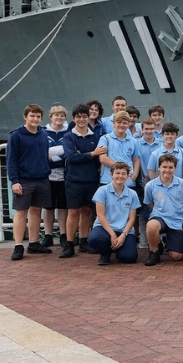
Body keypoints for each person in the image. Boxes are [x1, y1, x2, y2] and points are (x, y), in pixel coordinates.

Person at [7, 104, 52, 261]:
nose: (35, 119)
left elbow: (44, 154)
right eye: (32, 116)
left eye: (38, 116)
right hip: (24, 179)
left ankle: (33, 243)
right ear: (25, 117)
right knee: (21, 211)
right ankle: (18, 245)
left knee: (36, 210)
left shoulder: (43, 134)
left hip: (42, 178)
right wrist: (14, 181)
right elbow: (11, 160)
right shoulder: (16, 136)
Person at [61, 104, 107, 258]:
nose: (81, 119)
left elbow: (97, 158)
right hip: (74, 179)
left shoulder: (95, 137)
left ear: (88, 118)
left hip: (91, 178)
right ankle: (69, 243)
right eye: (78, 116)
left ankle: (84, 241)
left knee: (87, 210)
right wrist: (92, 153)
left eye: (84, 116)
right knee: (73, 211)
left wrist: (83, 154)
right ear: (74, 118)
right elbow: (72, 157)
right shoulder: (68, 137)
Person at [143, 154, 183, 266]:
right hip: (160, 217)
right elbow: (150, 203)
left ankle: (167, 242)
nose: (167, 170)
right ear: (159, 167)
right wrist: (158, 211)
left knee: (177, 257)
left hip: (178, 220)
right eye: (164, 167)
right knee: (151, 225)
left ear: (175, 168)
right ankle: (154, 251)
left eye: (171, 167)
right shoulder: (150, 185)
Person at [88, 162, 141, 265]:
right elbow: (100, 215)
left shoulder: (132, 194)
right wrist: (112, 234)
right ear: (111, 175)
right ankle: (106, 253)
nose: (120, 176)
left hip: (124, 230)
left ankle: (118, 249)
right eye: (117, 173)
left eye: (123, 174)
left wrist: (123, 235)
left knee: (129, 257)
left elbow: (132, 219)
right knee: (94, 239)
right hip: (104, 228)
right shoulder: (102, 191)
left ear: (127, 176)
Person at [42, 105, 69, 248]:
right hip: (49, 175)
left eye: (62, 115)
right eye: (56, 115)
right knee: (49, 207)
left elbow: (70, 151)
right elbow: (41, 152)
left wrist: (57, 157)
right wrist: (50, 158)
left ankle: (63, 234)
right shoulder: (43, 132)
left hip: (64, 174)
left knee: (63, 206)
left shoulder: (68, 132)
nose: (59, 117)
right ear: (50, 117)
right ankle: (48, 235)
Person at [134, 117, 161, 248]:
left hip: (160, 182)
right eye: (146, 129)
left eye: (151, 129)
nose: (149, 131)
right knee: (144, 212)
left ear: (155, 129)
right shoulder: (136, 144)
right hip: (142, 182)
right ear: (142, 129)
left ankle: (160, 239)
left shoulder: (161, 144)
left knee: (159, 209)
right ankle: (144, 240)